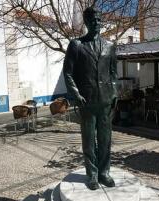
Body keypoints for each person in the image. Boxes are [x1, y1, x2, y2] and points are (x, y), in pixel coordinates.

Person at [63, 6, 118, 190]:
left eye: (99, 20)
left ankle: (104, 172)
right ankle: (92, 174)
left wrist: (116, 92)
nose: (97, 23)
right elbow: (68, 74)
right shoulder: (76, 45)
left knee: (105, 139)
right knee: (88, 140)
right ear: (86, 22)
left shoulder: (110, 46)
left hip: (105, 101)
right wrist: (76, 94)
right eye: (93, 20)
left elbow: (113, 73)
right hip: (86, 102)